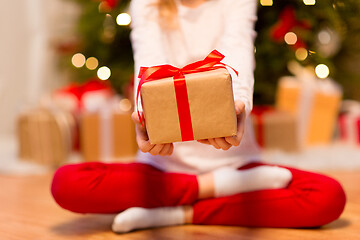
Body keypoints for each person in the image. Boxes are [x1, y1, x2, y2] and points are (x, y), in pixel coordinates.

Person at [51, 0, 346, 233]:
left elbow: (238, 52)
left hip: (237, 163)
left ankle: (177, 213)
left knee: (327, 196)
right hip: (165, 171)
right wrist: (144, 118)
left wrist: (238, 106)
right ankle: (217, 191)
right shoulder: (148, 3)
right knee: (66, 183)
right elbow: (149, 66)